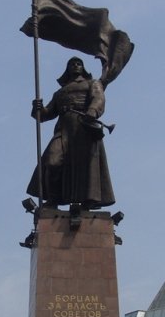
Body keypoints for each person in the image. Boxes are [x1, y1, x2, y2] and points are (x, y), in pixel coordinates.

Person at [27, 57, 115, 209]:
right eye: (72, 64)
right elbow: (45, 115)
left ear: (83, 68)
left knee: (87, 165)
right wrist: (38, 109)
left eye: (78, 63)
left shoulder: (92, 83)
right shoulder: (59, 93)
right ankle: (53, 199)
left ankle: (88, 201)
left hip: (84, 126)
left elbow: (98, 98)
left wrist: (92, 111)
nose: (75, 65)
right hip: (64, 129)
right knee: (51, 161)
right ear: (67, 69)